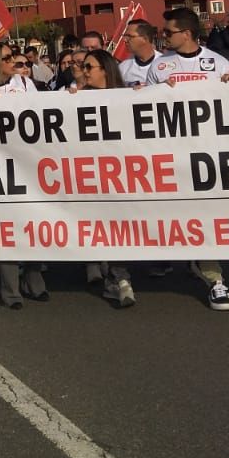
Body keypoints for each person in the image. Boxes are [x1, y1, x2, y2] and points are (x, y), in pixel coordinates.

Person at [152, 8, 229, 310]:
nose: (164, 36)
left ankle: (210, 272)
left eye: (168, 32)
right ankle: (205, 271)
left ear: (186, 33)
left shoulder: (217, 62)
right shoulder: (160, 67)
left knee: (209, 216)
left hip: (209, 154)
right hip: (173, 157)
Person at [0, 43, 48, 308]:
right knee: (6, 228)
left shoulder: (24, 82)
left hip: (28, 163)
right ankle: (10, 290)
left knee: (32, 224)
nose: (13, 63)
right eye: (7, 58)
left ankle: (35, 279)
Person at [78, 49, 137, 308]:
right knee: (106, 226)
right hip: (93, 176)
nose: (85, 71)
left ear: (105, 69)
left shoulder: (129, 96)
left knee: (120, 225)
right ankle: (116, 277)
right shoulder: (77, 98)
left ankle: (118, 277)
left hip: (124, 174)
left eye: (89, 67)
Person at [119, 20, 161, 87]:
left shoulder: (164, 63)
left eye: (129, 36)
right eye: (125, 36)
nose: (125, 40)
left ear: (145, 38)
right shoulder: (123, 68)